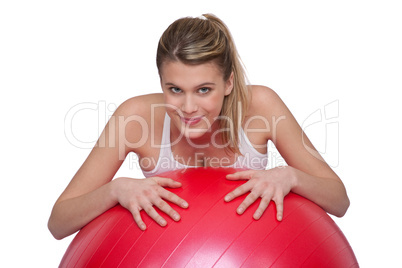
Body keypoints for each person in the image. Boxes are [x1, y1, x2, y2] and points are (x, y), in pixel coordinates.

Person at [48, 14, 350, 240]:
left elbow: (339, 200)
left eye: (204, 90)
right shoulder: (134, 117)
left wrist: (290, 176)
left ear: (229, 82)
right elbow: (59, 223)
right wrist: (115, 189)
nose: (189, 108)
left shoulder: (263, 106)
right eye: (175, 89)